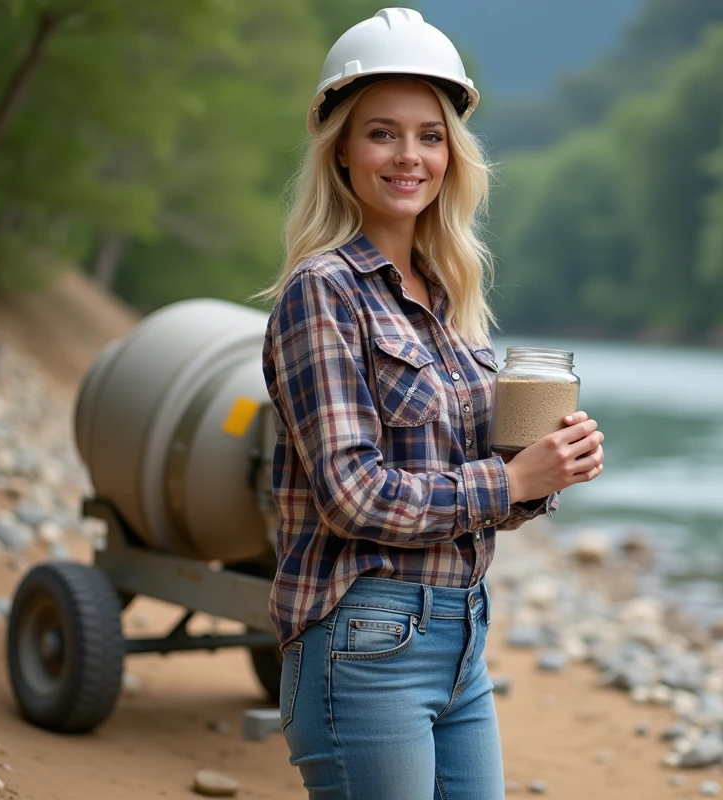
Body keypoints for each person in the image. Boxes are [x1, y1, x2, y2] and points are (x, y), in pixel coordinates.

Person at [257, 8, 605, 799]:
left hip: (461, 639)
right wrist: (509, 484)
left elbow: (465, 488)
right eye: (382, 132)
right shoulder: (323, 293)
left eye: (430, 134)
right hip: (362, 639)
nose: (409, 155)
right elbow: (353, 496)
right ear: (341, 149)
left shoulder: (447, 299)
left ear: (453, 152)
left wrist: (545, 470)